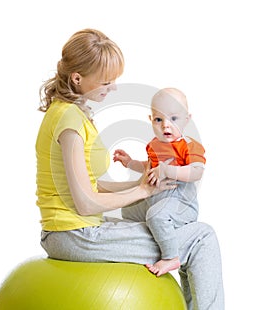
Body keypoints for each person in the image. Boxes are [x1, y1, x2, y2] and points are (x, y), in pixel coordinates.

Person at [36, 28, 224, 309]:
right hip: (74, 235)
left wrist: (145, 186)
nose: (112, 88)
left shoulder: (66, 112)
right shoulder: (70, 123)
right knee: (201, 237)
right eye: (106, 82)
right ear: (78, 78)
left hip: (70, 231)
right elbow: (86, 203)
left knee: (171, 226)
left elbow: (91, 186)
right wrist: (140, 191)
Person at [113, 87, 205, 277]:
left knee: (156, 216)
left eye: (173, 119)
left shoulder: (188, 145)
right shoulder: (154, 145)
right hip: (156, 195)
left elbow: (197, 172)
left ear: (187, 119)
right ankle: (145, 243)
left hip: (179, 202)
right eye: (159, 119)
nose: (166, 126)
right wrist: (130, 163)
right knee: (128, 210)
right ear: (151, 120)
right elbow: (150, 167)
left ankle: (171, 256)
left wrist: (168, 170)